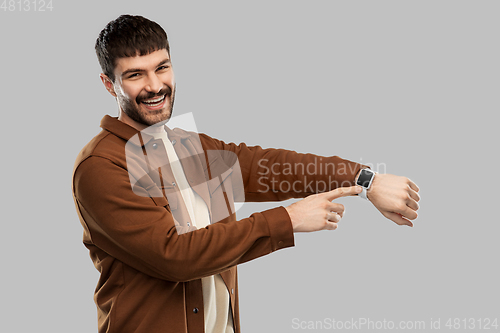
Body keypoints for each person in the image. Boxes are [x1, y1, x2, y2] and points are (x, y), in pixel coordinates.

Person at [72, 14, 420, 333]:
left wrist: (366, 179)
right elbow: (176, 256)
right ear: (108, 83)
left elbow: (270, 167)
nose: (154, 85)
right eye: (135, 75)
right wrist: (288, 218)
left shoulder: (188, 146)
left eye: (162, 67)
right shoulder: (101, 166)